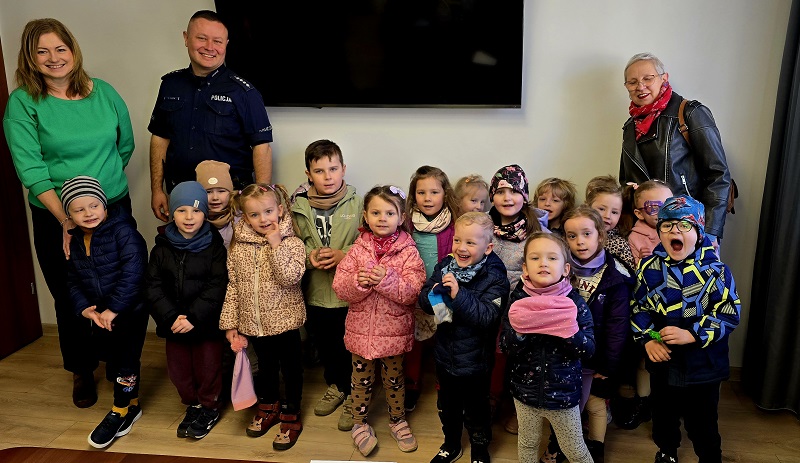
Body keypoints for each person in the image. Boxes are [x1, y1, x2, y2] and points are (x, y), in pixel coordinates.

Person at [3, 18, 136, 409]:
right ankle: (82, 368)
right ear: (30, 57)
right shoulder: (23, 103)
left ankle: (117, 362)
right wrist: (67, 217)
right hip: (54, 215)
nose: (53, 58)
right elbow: (30, 168)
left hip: (112, 208)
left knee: (118, 286)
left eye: (60, 48)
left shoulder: (105, 93)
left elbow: (124, 146)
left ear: (73, 50)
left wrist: (98, 197)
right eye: (42, 51)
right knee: (70, 293)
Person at [631, 195, 740, 463]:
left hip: (703, 365)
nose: (674, 231)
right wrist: (649, 339)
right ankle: (667, 451)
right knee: (663, 415)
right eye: (667, 226)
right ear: (659, 232)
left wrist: (692, 334)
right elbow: (638, 308)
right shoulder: (648, 268)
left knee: (702, 421)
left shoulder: (717, 271)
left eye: (684, 225)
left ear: (698, 232)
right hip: (664, 363)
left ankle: (709, 457)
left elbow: (728, 313)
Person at [148, 9, 273, 222]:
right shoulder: (170, 85)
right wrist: (157, 189)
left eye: (217, 41)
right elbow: (160, 138)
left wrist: (260, 200)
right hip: (183, 198)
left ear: (226, 44)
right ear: (186, 38)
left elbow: (262, 147)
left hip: (229, 202)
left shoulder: (243, 92)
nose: (209, 47)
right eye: (202, 38)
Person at [331, 185, 426, 455]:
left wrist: (386, 279)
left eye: (389, 213)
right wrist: (358, 282)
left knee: (394, 380)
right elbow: (340, 287)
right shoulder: (357, 250)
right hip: (360, 332)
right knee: (360, 380)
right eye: (376, 212)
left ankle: (397, 420)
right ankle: (359, 423)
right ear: (365, 216)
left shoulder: (408, 252)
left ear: (401, 217)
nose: (382, 218)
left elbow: (412, 292)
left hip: (394, 332)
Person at [61, 177, 148, 449]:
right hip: (102, 314)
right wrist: (84, 308)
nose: (88, 213)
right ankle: (132, 403)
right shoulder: (76, 241)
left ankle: (120, 410)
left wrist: (115, 308)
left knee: (126, 360)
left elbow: (134, 273)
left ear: (105, 205)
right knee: (114, 357)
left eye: (94, 205)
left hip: (130, 310)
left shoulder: (123, 232)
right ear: (69, 216)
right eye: (79, 209)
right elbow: (73, 280)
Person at [220, 184, 307, 450]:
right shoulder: (238, 248)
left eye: (268, 211)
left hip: (286, 323)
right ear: (246, 218)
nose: (263, 219)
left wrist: (276, 243)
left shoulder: (292, 243)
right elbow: (234, 286)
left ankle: (291, 412)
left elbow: (290, 277)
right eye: (255, 214)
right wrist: (230, 323)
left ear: (279, 210)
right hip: (254, 324)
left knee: (291, 369)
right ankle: (268, 405)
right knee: (266, 368)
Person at [419, 212, 510, 463]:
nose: (461, 248)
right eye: (458, 240)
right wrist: (432, 294)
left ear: (487, 248)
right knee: (447, 406)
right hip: (445, 355)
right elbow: (425, 300)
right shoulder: (445, 266)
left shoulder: (495, 277)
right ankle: (451, 443)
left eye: (470, 243)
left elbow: (487, 317)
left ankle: (480, 448)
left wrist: (459, 295)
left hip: (476, 362)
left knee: (476, 409)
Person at [499, 233, 595, 463]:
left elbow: (589, 349)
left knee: (575, 450)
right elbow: (505, 345)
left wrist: (568, 332)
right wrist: (521, 333)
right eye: (535, 258)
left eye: (552, 258)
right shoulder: (517, 301)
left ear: (565, 269)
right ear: (525, 268)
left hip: (563, 395)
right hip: (525, 392)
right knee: (527, 443)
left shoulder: (575, 304)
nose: (543, 263)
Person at [620, 52, 732, 245]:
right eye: (632, 82)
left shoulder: (690, 113)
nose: (640, 86)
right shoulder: (630, 127)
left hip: (689, 228)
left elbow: (718, 175)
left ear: (664, 78)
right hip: (645, 234)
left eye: (648, 78)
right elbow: (626, 182)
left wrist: (710, 233)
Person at [146, 181, 228, 440]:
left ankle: (209, 406)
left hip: (204, 323)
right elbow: (153, 287)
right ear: (172, 213)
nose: (189, 217)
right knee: (179, 371)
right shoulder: (161, 248)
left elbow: (218, 286)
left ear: (205, 213)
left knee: (208, 368)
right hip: (174, 324)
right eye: (182, 210)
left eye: (196, 210)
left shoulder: (215, 247)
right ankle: (193, 404)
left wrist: (193, 317)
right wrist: (171, 316)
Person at [291, 140, 362, 423]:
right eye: (319, 171)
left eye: (333, 169)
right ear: (308, 174)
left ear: (343, 169)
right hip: (316, 291)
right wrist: (309, 257)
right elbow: (291, 244)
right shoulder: (298, 207)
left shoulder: (359, 204)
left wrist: (343, 254)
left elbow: (370, 243)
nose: (328, 176)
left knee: (351, 344)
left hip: (350, 292)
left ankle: (356, 392)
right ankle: (337, 386)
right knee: (327, 342)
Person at [560, 206, 633, 463]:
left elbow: (617, 328)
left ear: (600, 235)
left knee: (595, 402)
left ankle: (597, 446)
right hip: (567, 354)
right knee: (567, 403)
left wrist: (608, 365)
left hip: (598, 356)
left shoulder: (616, 277)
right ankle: (565, 445)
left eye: (586, 234)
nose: (579, 241)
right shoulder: (560, 268)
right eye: (572, 236)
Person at [486, 164, 546, 434]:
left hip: (522, 306)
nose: (507, 198)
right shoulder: (484, 226)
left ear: (524, 196)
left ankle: (517, 406)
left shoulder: (536, 231)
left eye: (514, 191)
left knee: (520, 358)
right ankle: (491, 398)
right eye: (500, 192)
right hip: (489, 305)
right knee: (493, 357)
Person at [403, 165, 460, 412]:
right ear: (413, 195)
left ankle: (443, 383)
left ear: (445, 194)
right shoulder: (407, 224)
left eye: (434, 192)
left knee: (443, 337)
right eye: (421, 192)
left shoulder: (454, 225)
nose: (428, 198)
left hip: (439, 295)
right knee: (414, 340)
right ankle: (412, 383)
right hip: (413, 293)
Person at [586, 175, 635, 269]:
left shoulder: (619, 245)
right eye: (601, 209)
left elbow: (630, 273)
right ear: (587, 207)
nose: (607, 216)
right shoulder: (577, 235)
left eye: (614, 212)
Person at [627, 180, 674, 267]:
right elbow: (635, 271)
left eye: (669, 205)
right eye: (654, 208)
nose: (663, 212)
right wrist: (642, 260)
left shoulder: (683, 228)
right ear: (640, 214)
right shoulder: (635, 238)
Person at [196, 160, 238, 249]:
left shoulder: (241, 220)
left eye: (221, 191)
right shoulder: (193, 221)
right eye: (208, 192)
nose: (215, 197)